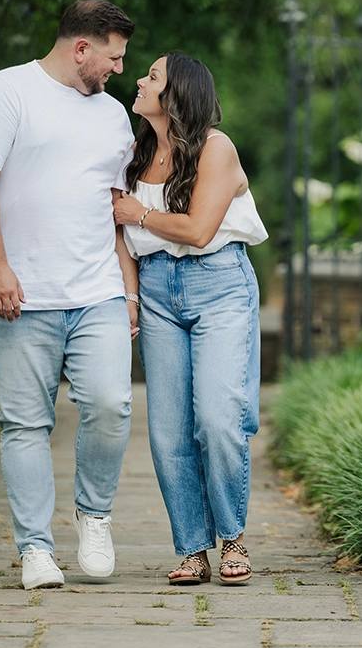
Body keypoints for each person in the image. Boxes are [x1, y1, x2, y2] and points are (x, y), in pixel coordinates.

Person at [0, 0, 140, 590]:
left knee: (112, 405)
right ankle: (36, 549)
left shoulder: (113, 117)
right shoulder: (4, 91)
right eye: (112, 57)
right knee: (25, 423)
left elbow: (114, 212)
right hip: (21, 292)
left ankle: (94, 516)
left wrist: (128, 291)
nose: (118, 68)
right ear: (80, 48)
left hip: (97, 291)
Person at [112, 52, 267, 585]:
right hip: (155, 291)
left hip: (219, 284)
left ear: (176, 94)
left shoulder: (215, 150)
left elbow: (201, 230)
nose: (139, 79)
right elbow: (119, 238)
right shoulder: (134, 154)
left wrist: (142, 215)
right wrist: (131, 299)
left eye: (151, 76)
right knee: (168, 431)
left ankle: (233, 537)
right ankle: (193, 548)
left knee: (219, 419)